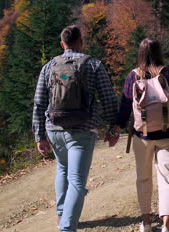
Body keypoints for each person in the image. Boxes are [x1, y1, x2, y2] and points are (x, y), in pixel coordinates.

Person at [32, 25, 119, 232]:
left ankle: (62, 216)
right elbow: (107, 97)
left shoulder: (49, 66)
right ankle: (67, 228)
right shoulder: (93, 65)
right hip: (82, 128)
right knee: (77, 181)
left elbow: (39, 102)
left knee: (62, 169)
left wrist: (39, 136)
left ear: (63, 44)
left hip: (54, 128)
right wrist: (113, 127)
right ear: (81, 41)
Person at [113, 38, 169, 232]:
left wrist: (115, 129)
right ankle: (167, 225)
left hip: (141, 137)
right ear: (159, 51)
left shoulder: (132, 76)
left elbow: (125, 108)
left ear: (140, 53)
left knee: (143, 178)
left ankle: (146, 223)